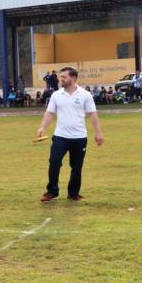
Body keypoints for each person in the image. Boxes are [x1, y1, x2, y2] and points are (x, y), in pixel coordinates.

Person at [37, 67, 104, 203]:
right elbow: (50, 113)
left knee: (76, 166)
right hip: (60, 136)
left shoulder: (85, 95)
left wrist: (98, 133)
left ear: (73, 78)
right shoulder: (56, 95)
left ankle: (73, 193)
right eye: (61, 77)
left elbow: (92, 114)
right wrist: (42, 127)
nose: (61, 79)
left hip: (79, 137)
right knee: (54, 162)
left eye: (64, 77)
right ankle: (52, 191)